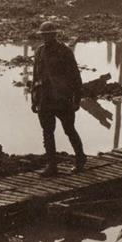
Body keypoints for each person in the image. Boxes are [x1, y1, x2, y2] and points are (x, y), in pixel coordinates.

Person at [32, 21, 86, 177]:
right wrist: (34, 99)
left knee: (69, 130)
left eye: (48, 34)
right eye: (43, 35)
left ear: (55, 35)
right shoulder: (39, 52)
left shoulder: (65, 51)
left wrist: (77, 99)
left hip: (62, 99)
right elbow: (36, 76)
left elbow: (75, 76)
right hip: (44, 99)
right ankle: (52, 165)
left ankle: (80, 160)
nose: (45, 37)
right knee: (47, 133)